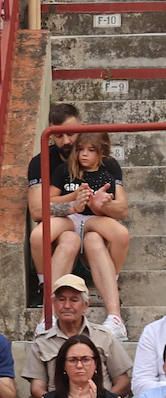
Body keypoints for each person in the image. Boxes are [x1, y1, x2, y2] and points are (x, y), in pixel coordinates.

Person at [45, 133, 130, 338]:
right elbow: (45, 203)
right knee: (62, 238)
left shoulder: (108, 170)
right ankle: (46, 316)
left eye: (91, 150)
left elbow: (122, 210)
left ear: (101, 153)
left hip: (94, 227)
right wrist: (74, 200)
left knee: (97, 239)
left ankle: (115, 317)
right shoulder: (64, 170)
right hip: (69, 225)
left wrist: (101, 204)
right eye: (80, 149)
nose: (84, 154)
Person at [21, 274, 132, 398]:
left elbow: (123, 382)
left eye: (74, 300)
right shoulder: (42, 342)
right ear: (54, 304)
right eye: (61, 299)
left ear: (86, 305)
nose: (67, 305)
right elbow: (36, 389)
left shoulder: (104, 336)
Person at [28, 104, 84, 296]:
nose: (66, 141)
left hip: (93, 226)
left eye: (71, 134)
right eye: (59, 135)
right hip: (60, 225)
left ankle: (47, 295)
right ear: (50, 134)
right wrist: (73, 205)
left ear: (81, 128)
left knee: (76, 239)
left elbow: (118, 208)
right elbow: (37, 211)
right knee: (65, 239)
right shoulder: (41, 161)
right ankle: (46, 289)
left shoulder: (97, 158)